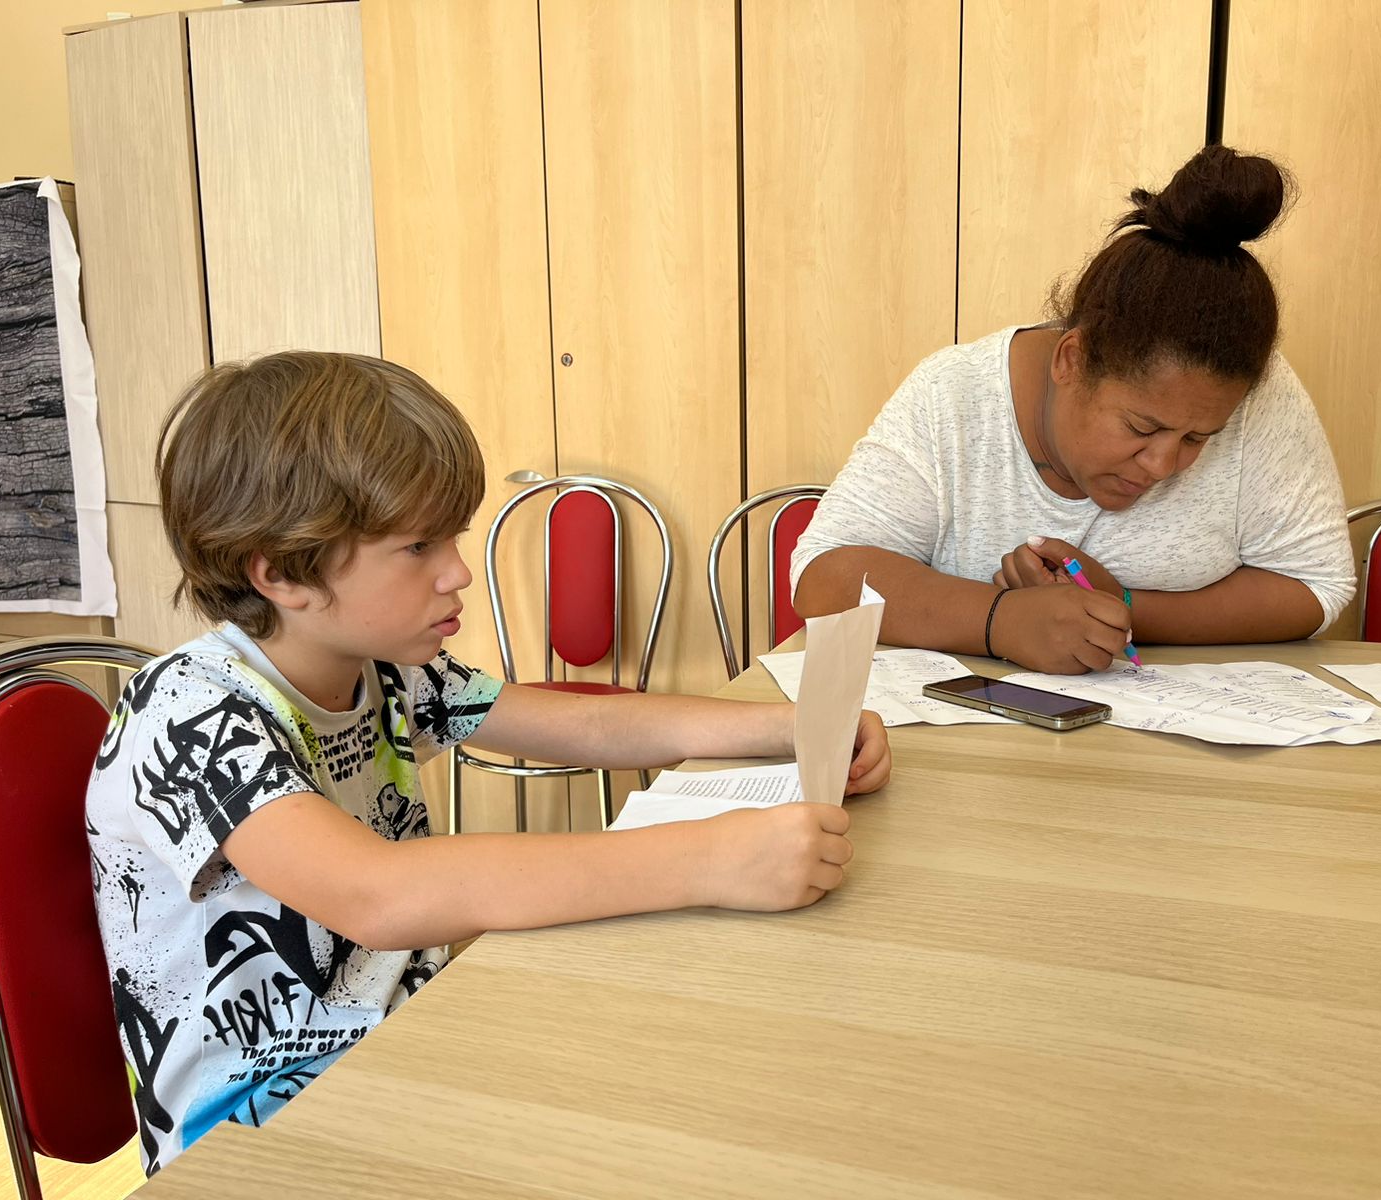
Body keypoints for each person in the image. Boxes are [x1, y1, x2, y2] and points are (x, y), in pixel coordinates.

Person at [86, 351, 891, 1173]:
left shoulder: (385, 668)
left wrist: (790, 727)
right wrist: (712, 860)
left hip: (412, 1047)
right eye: (418, 546)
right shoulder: (187, 715)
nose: (459, 572)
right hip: (253, 1138)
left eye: (453, 538)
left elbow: (587, 727)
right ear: (283, 573)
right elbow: (378, 896)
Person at [792, 145, 1356, 674]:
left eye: (1198, 438)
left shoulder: (1256, 391)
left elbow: (1317, 585)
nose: (1163, 465)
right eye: (1142, 426)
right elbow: (823, 577)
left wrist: (1123, 607)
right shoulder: (953, 394)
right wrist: (1001, 621)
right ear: (1071, 359)